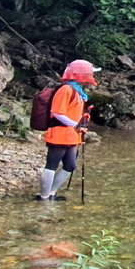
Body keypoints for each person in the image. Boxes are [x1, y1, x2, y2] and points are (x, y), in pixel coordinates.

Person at [38, 59, 96, 201]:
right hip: (60, 134)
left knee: (70, 165)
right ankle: (44, 196)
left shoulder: (78, 91)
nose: (92, 77)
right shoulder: (65, 90)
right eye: (89, 74)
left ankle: (52, 192)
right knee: (52, 165)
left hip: (72, 136)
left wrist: (81, 122)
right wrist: (76, 125)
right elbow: (57, 112)